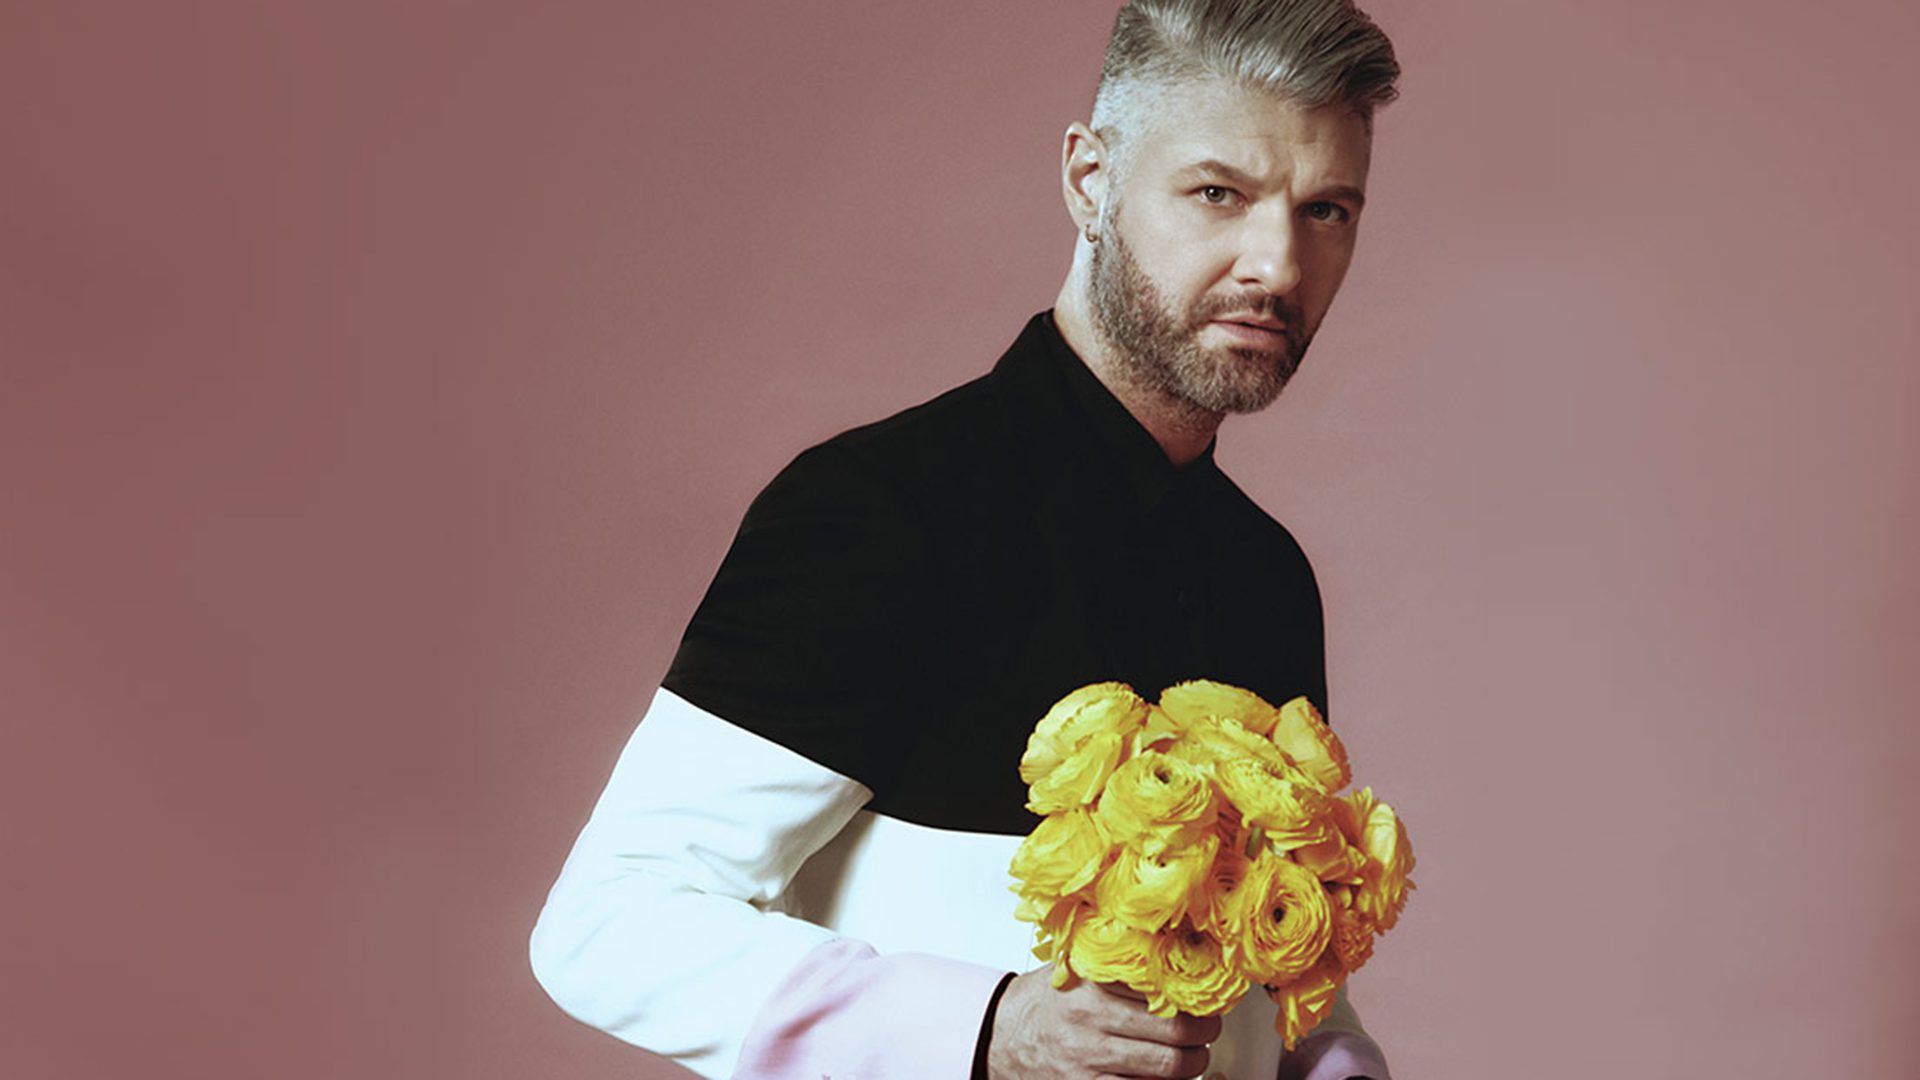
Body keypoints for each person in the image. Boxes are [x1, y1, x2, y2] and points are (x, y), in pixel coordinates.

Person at [529, 1, 1403, 1077]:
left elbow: (1278, 996)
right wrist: (990, 1026)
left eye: (1327, 210)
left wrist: (1337, 1061)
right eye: (1218, 193)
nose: (1275, 261)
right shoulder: (877, 510)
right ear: (1090, 180)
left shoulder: (1271, 578)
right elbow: (608, 923)